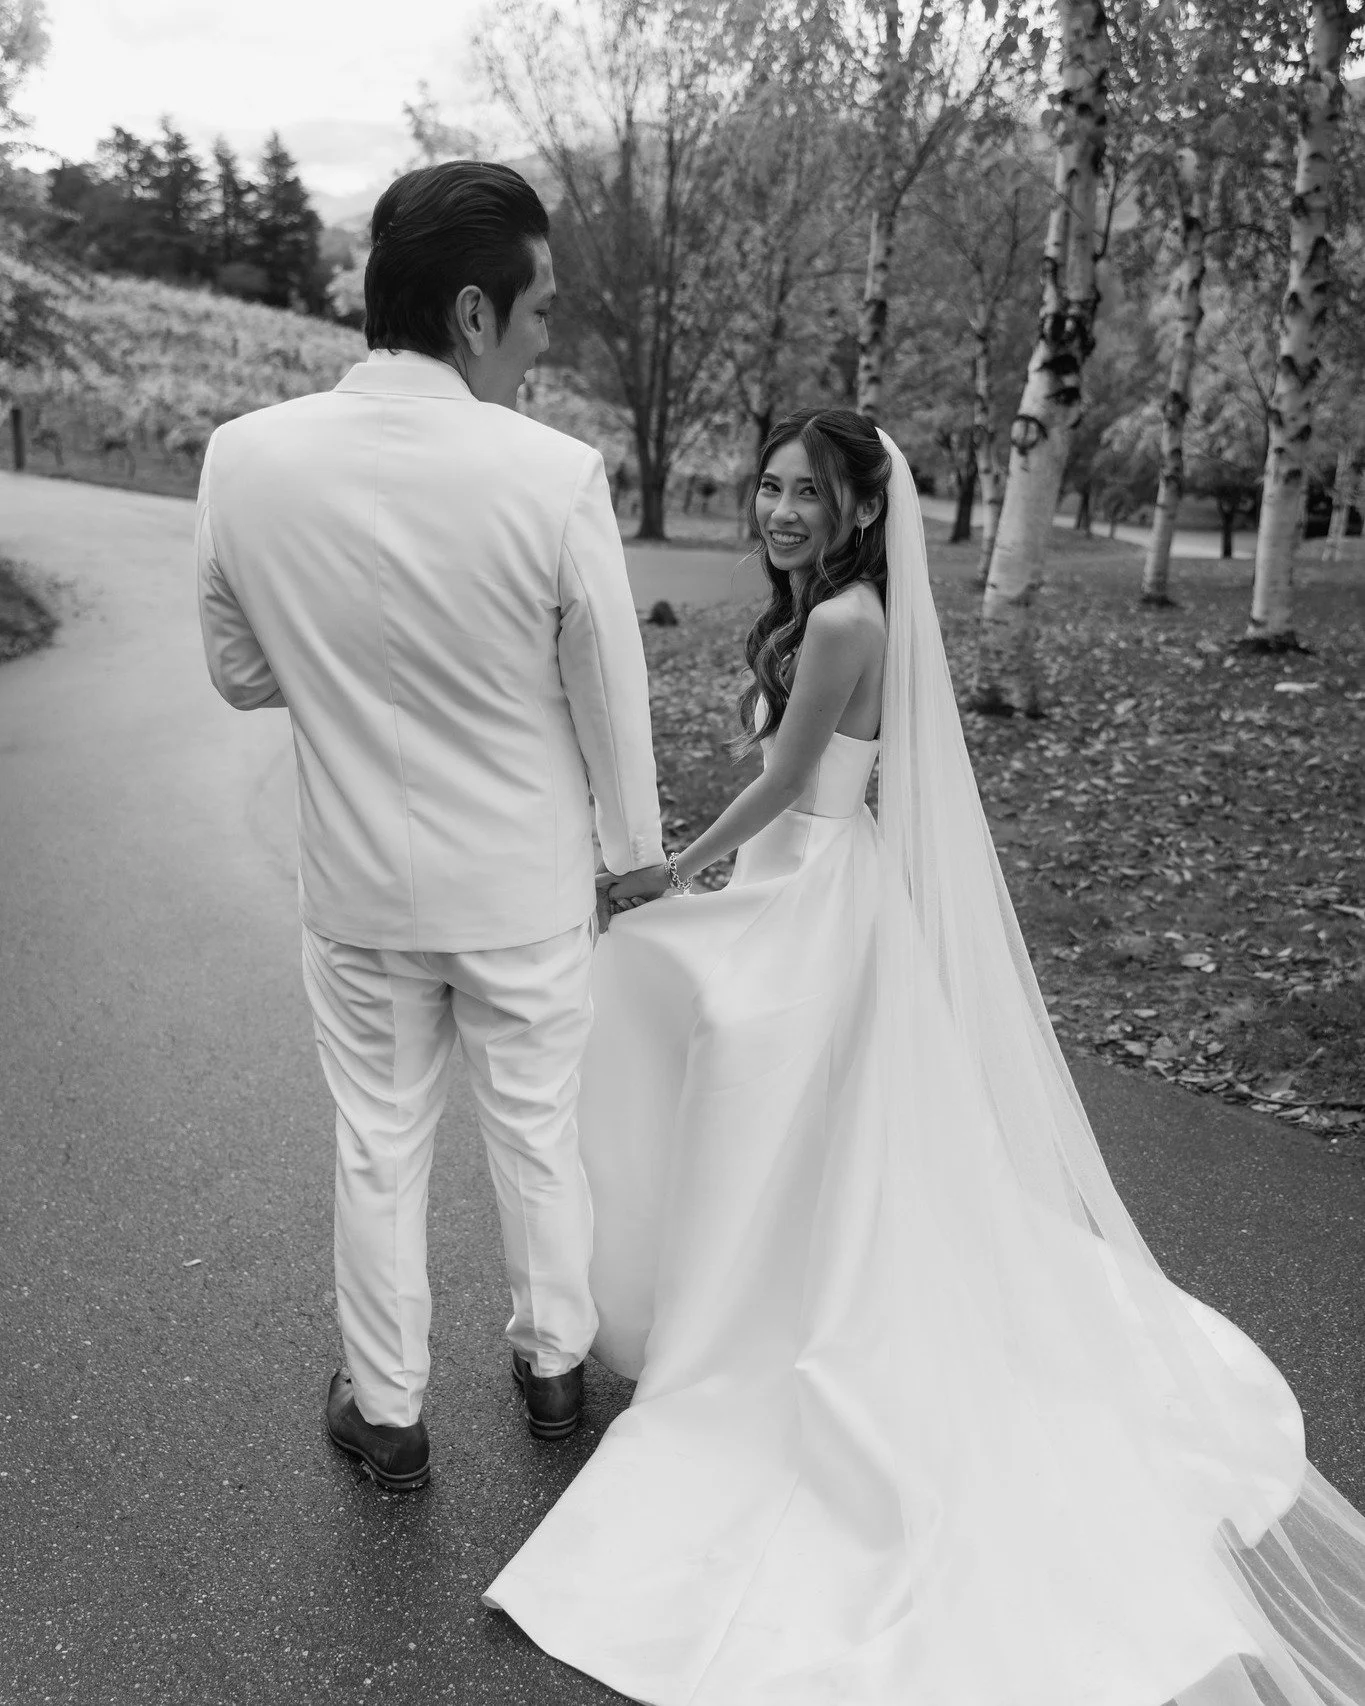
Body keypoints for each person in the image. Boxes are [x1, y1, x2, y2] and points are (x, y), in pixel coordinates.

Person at [485, 410, 1365, 1706]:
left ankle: (725, 1339)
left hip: (809, 898)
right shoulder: (819, 610)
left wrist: (661, 870)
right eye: (772, 484)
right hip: (805, 890)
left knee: (725, 1064)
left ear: (856, 510)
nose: (781, 508)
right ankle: (692, 1310)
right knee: (740, 1091)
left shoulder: (843, 623)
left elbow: (791, 784)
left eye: (810, 492)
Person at [196, 161, 666, 1491]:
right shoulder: (556, 476)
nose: (547, 337)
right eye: (540, 310)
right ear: (472, 312)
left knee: (377, 1143)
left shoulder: (244, 458)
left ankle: (390, 1413)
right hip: (521, 893)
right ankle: (555, 1370)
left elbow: (237, 674)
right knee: (537, 1131)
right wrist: (634, 857)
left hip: (358, 894)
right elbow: (609, 697)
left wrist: (342, 659)